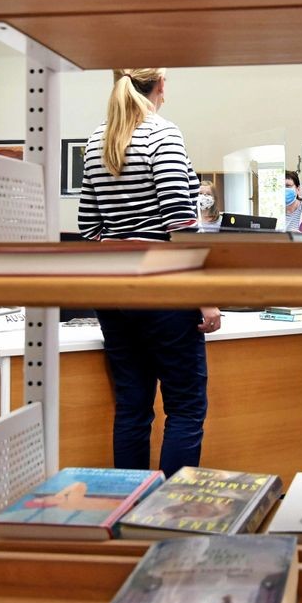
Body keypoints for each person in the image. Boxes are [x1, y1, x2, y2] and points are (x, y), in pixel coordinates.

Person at [78, 67, 221, 477]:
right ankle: (166, 520)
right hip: (164, 289)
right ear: (160, 86)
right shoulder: (162, 134)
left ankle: (128, 510)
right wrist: (207, 298)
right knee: (186, 408)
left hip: (114, 289)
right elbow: (180, 225)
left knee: (132, 408)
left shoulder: (97, 139)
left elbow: (90, 227)